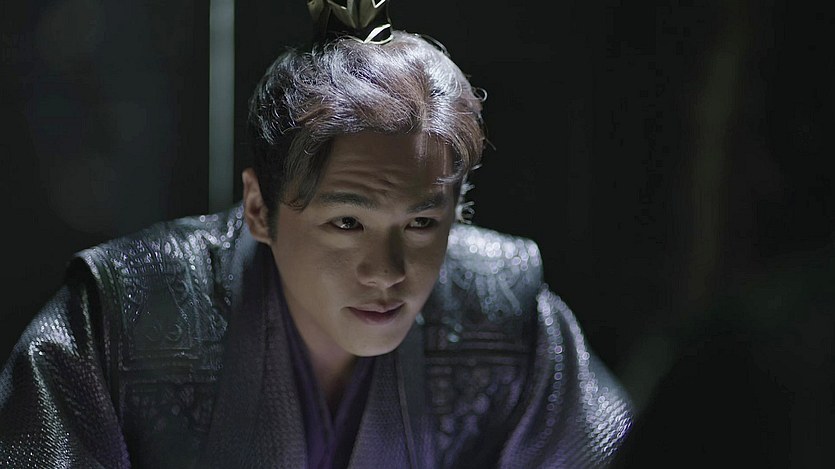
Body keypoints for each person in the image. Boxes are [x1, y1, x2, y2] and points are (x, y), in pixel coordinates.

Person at [0, 1, 633, 467]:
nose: (388, 271)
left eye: (421, 222)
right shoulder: (123, 313)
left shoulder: (505, 309)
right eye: (347, 222)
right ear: (259, 208)